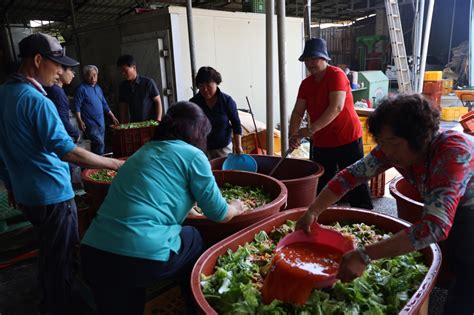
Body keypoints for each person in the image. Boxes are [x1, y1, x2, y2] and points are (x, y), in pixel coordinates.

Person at [296, 94, 473, 315]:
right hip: (453, 204)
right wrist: (313, 211)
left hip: (470, 207)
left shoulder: (453, 152)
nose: (387, 151)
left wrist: (364, 254)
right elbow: (349, 177)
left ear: (419, 137)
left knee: (467, 272)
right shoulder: (392, 149)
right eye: (382, 142)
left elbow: (435, 226)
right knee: (449, 257)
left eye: (394, 143)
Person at [0, 32, 124, 315]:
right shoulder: (36, 101)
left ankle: (49, 296)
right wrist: (115, 164)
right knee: (62, 258)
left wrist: (11, 186)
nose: (60, 73)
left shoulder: (3, 93)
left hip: (27, 194)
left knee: (48, 250)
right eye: (57, 65)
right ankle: (60, 305)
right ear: (38, 60)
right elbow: (66, 150)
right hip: (52, 194)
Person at [80, 101, 244, 315]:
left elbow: (155, 194)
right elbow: (219, 214)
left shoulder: (141, 153)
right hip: (141, 257)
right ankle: (193, 306)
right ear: (198, 133)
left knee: (125, 296)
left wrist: (187, 209)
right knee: (193, 237)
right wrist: (236, 206)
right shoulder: (194, 156)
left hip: (94, 253)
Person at [289, 38, 373, 209]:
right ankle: (321, 218)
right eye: (307, 60)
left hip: (346, 137)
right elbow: (298, 112)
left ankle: (365, 216)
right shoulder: (306, 84)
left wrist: (311, 129)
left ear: (325, 59)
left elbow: (336, 107)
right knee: (322, 183)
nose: (310, 63)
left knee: (355, 181)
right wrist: (293, 134)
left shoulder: (336, 75)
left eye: (314, 58)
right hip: (322, 141)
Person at [190, 66, 243, 159]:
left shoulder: (227, 101)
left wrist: (238, 146)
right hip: (201, 149)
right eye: (201, 86)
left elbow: (236, 124)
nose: (205, 89)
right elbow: (189, 126)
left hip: (223, 148)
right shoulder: (194, 103)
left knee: (224, 172)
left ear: (216, 83)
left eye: (208, 85)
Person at [73, 65, 119, 155]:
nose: (93, 78)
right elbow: (77, 106)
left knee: (100, 144)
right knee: (99, 143)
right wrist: (79, 120)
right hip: (90, 123)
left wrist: (112, 116)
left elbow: (104, 104)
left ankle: (98, 165)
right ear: (85, 76)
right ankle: (100, 164)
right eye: (90, 75)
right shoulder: (81, 89)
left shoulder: (98, 88)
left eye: (95, 75)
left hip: (101, 122)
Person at [117, 54, 162, 122]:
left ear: (134, 68)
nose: (123, 73)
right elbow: (123, 108)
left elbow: (158, 102)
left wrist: (158, 120)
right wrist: (124, 126)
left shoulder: (148, 83)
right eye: (121, 71)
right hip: (134, 125)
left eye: (125, 70)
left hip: (150, 124)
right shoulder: (123, 87)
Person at [44, 65, 80, 142]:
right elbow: (62, 119)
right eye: (71, 71)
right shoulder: (58, 92)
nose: (73, 75)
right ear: (60, 71)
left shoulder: (51, 88)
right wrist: (75, 133)